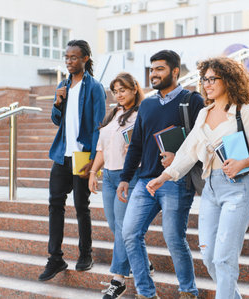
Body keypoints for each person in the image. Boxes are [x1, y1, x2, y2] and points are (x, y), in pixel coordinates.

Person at [146, 57, 249, 298]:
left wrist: (244, 162)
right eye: (204, 79)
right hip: (210, 188)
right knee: (208, 256)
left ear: (229, 79)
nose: (206, 84)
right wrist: (163, 177)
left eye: (212, 78)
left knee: (225, 258)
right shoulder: (204, 113)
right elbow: (188, 151)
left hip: (237, 189)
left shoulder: (245, 112)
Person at [116, 50, 204, 299]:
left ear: (175, 72)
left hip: (176, 181)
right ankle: (146, 293)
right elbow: (137, 145)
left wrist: (179, 157)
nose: (153, 74)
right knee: (130, 233)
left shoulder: (192, 101)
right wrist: (125, 177)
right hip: (145, 181)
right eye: (151, 69)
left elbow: (202, 141)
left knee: (174, 238)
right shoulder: (147, 104)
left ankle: (188, 291)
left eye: (160, 69)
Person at [39, 39, 106, 281]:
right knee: (55, 205)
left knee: (81, 207)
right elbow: (57, 121)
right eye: (67, 57)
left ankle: (85, 254)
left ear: (85, 59)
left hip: (82, 156)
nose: (69, 61)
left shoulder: (95, 88)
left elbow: (99, 125)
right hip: (61, 155)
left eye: (74, 57)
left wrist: (94, 161)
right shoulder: (62, 85)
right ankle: (55, 258)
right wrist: (58, 102)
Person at [88, 72, 146, 298]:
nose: (119, 95)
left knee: (122, 227)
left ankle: (118, 279)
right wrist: (94, 172)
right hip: (109, 177)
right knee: (115, 225)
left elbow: (148, 145)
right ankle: (143, 262)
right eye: (116, 91)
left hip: (127, 176)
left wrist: (135, 152)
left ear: (134, 89)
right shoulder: (113, 114)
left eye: (123, 90)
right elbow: (101, 149)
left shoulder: (141, 114)